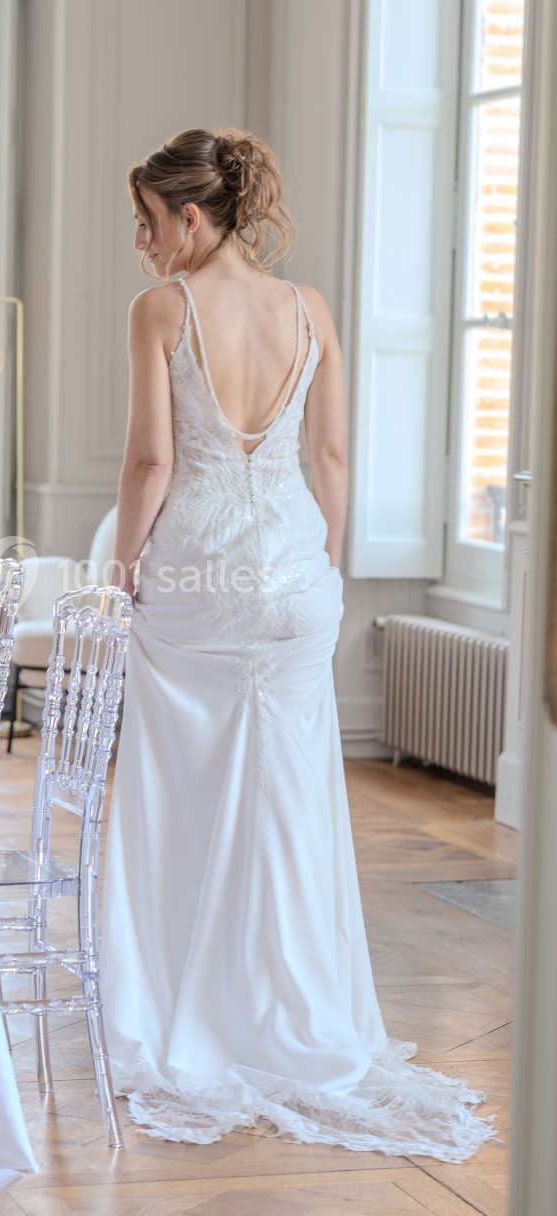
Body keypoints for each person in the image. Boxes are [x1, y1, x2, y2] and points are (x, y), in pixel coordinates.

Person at [101, 126, 494, 1160]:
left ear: (190, 216)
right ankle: (292, 1002)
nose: (144, 247)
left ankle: (191, 999)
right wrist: (324, 557)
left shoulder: (161, 310)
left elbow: (150, 459)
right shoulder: (307, 308)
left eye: (148, 224)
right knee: (289, 790)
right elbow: (327, 451)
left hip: (192, 575)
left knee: (180, 787)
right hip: (291, 575)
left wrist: (121, 569)